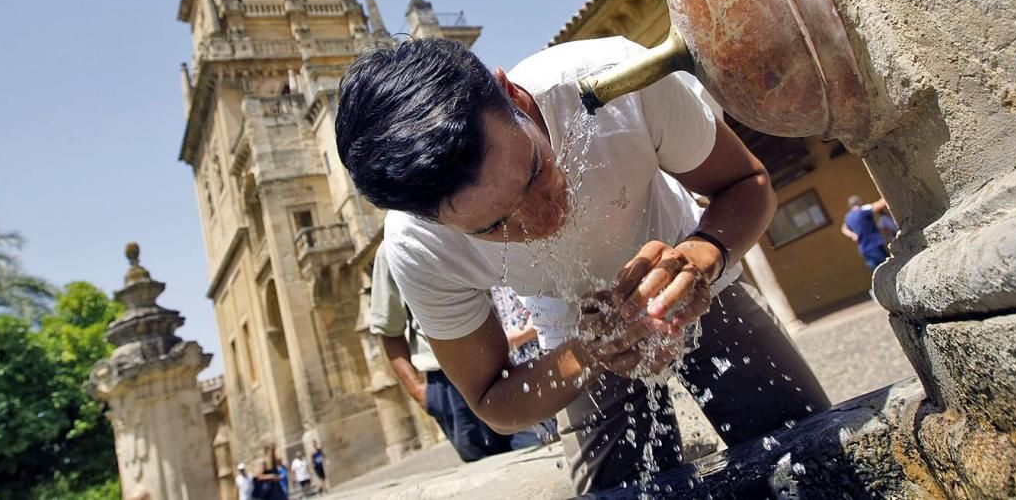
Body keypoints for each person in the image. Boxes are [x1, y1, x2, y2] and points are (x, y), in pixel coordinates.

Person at [336, 36, 830, 494]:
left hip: (695, 271)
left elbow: (746, 182)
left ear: (512, 95)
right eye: (493, 227)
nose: (543, 219)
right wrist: (592, 350)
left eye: (533, 173)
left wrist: (701, 256)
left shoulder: (612, 81)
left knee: (812, 454)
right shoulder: (418, 247)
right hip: (570, 332)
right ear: (430, 222)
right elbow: (494, 401)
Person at [370, 242, 541, 460]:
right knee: (487, 468)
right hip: (449, 384)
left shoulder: (465, 217)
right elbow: (389, 330)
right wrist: (421, 393)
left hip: (509, 361)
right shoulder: (391, 249)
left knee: (537, 445)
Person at [841, 195, 891, 270]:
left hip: (864, 249)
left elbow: (844, 228)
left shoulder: (848, 217)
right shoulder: (863, 211)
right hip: (875, 245)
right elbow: (881, 204)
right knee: (888, 268)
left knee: (878, 272)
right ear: (860, 202)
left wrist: (853, 235)